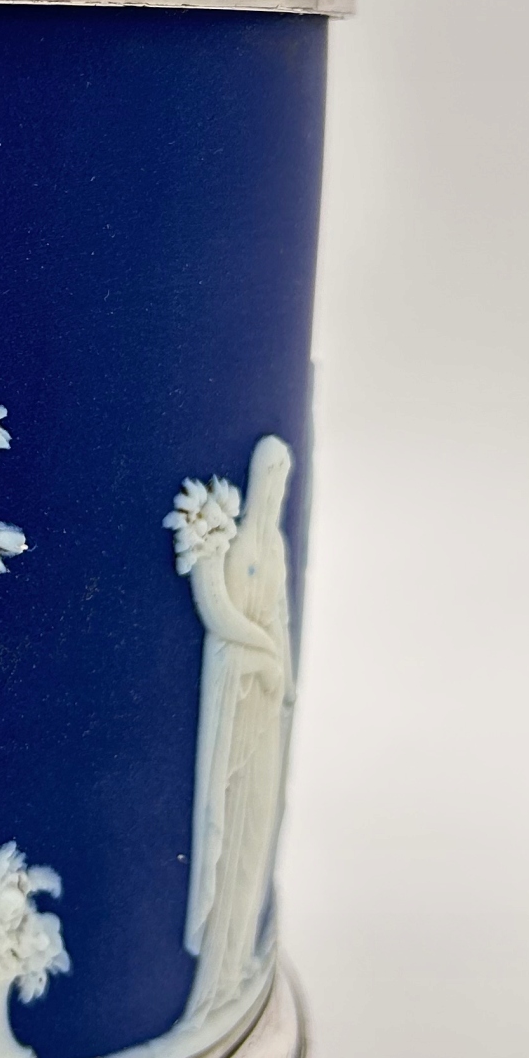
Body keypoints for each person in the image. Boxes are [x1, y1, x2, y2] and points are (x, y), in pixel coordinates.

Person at [167, 436, 295, 1026]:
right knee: (236, 828)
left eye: (282, 473)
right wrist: (265, 655)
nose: (274, 484)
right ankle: (220, 974)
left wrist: (283, 675)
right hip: (239, 706)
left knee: (256, 831)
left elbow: (281, 619)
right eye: (270, 472)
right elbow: (221, 618)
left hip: (264, 707)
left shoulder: (275, 548)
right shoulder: (237, 545)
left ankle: (241, 958)